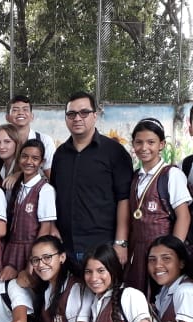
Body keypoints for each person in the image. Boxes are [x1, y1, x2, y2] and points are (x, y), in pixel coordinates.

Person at [50, 91, 133, 264]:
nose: (77, 118)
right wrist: (52, 226)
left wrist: (121, 242)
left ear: (95, 116)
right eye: (71, 114)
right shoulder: (60, 154)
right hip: (66, 246)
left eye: (84, 112)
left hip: (103, 246)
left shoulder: (114, 152)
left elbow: (124, 199)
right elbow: (54, 194)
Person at [125, 118, 193, 294]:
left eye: (151, 142)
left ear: (161, 144)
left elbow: (183, 216)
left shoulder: (171, 174)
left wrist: (174, 255)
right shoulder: (135, 178)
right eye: (139, 142)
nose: (144, 147)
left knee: (162, 298)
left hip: (163, 254)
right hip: (139, 254)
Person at [0, 139, 56, 281]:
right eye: (24, 156)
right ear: (19, 159)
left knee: (27, 289)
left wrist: (34, 259)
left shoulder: (45, 189)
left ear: (42, 163)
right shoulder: (17, 186)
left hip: (31, 249)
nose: (29, 161)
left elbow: (45, 228)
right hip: (11, 247)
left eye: (35, 158)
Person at [5, 95, 56, 175]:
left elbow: (50, 175)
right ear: (7, 117)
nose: (21, 113)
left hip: (37, 186)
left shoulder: (45, 141)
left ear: (32, 116)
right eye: (15, 110)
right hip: (4, 186)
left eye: (25, 109)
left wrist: (19, 176)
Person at [0, 124, 22, 188]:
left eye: (7, 141)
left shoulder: (25, 167)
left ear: (17, 143)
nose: (1, 147)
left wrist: (20, 174)